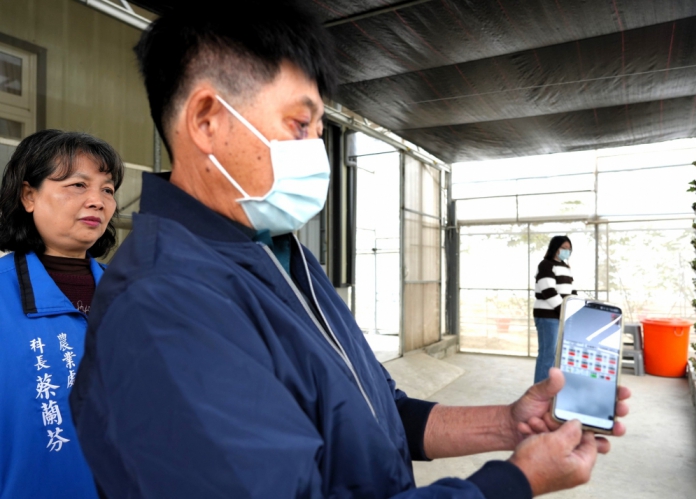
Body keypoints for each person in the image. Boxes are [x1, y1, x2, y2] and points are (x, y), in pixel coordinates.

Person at [70, 4, 629, 498]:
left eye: (320, 128)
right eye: (300, 123)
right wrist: (516, 481)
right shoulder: (165, 307)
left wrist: (508, 423)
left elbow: (374, 413)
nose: (317, 150)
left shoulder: (279, 254)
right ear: (206, 121)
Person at [0, 129, 123, 498]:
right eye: (77, 185)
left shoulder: (136, 297)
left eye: (107, 190)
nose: (97, 201)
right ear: (29, 196)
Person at [533, 235, 576, 383]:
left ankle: (550, 387)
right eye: (563, 248)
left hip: (560, 315)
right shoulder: (546, 265)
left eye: (569, 249)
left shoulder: (566, 268)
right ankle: (540, 389)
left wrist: (575, 307)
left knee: (556, 355)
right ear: (554, 248)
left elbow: (571, 291)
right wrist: (565, 311)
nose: (566, 251)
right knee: (547, 355)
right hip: (547, 316)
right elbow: (549, 291)